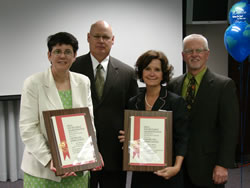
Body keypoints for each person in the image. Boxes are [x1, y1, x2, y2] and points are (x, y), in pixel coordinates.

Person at [19, 32, 97, 187]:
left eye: (68, 52)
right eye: (57, 51)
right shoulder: (33, 83)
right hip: (43, 169)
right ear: (49, 55)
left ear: (75, 56)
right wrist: (50, 159)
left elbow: (89, 123)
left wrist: (92, 150)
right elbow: (28, 128)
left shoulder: (83, 82)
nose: (63, 56)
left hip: (77, 168)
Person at [70, 20, 138, 188]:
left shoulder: (127, 73)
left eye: (106, 37)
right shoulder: (72, 68)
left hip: (114, 153)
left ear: (113, 40)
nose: (101, 41)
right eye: (97, 36)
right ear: (88, 38)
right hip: (80, 150)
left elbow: (133, 112)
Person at [167, 34, 239, 188]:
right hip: (177, 165)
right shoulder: (173, 84)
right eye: (189, 51)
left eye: (199, 50)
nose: (194, 54)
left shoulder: (224, 86)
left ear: (207, 54)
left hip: (209, 166)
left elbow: (230, 129)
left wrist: (223, 164)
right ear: (183, 56)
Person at [119, 50, 189, 188]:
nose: (152, 73)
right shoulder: (133, 102)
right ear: (141, 72)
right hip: (141, 173)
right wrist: (128, 138)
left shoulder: (175, 102)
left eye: (157, 69)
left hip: (167, 171)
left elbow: (183, 137)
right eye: (147, 69)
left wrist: (176, 167)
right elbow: (133, 140)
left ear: (164, 73)